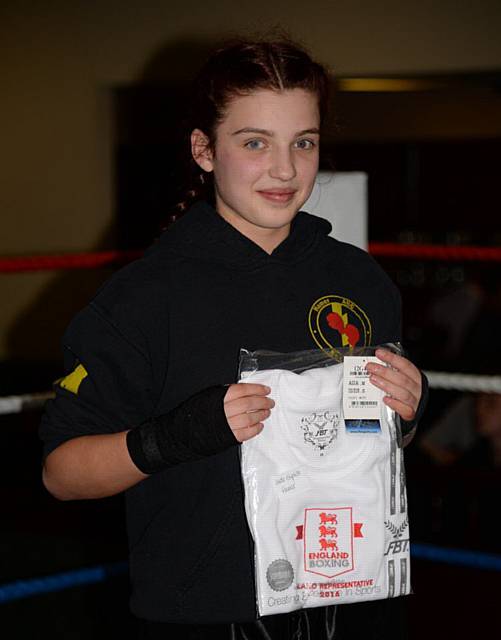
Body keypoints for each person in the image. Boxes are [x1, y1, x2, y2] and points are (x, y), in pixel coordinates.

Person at [40, 38, 427, 639]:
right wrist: (173, 438)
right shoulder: (142, 297)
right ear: (204, 150)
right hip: (205, 611)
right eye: (254, 143)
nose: (285, 169)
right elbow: (61, 473)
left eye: (304, 142)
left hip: (354, 593)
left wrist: (401, 414)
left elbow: (372, 442)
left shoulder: (361, 280)